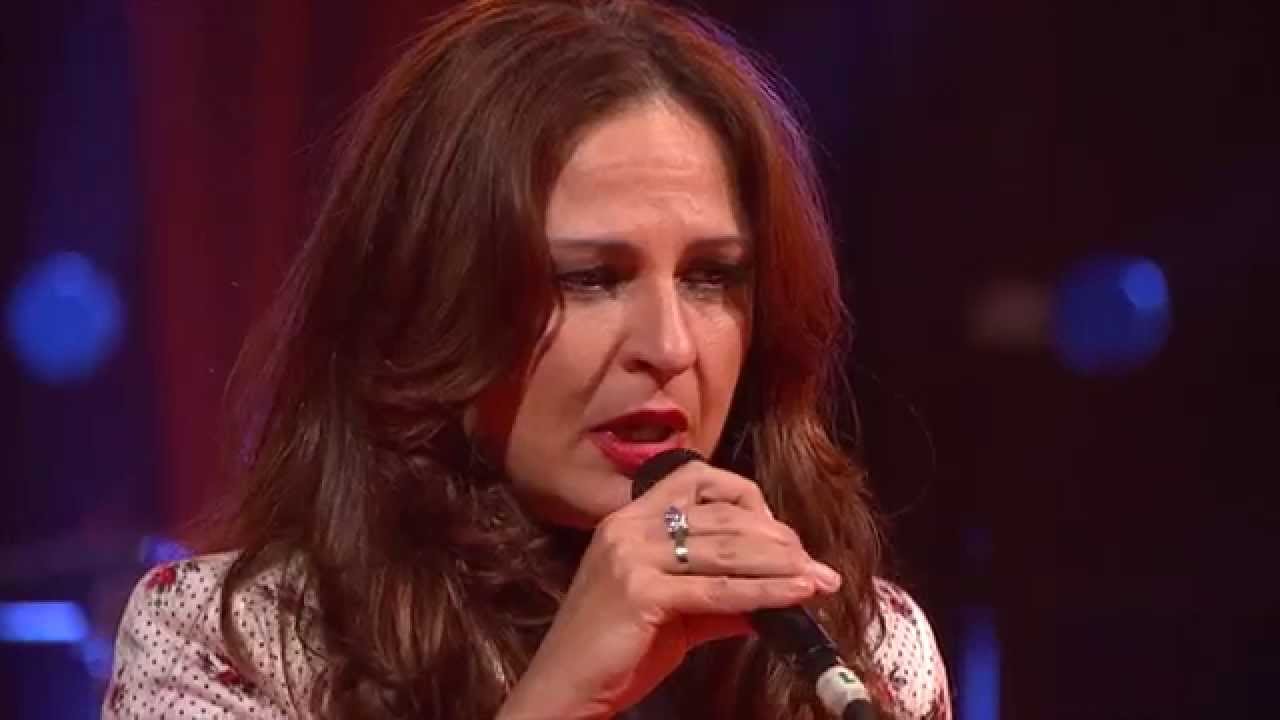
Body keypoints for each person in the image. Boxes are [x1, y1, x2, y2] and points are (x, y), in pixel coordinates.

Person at [104, 1, 950, 718]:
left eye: (710, 276)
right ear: (430, 301)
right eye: (590, 279)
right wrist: (563, 694)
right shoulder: (231, 644)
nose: (668, 348)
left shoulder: (864, 650)